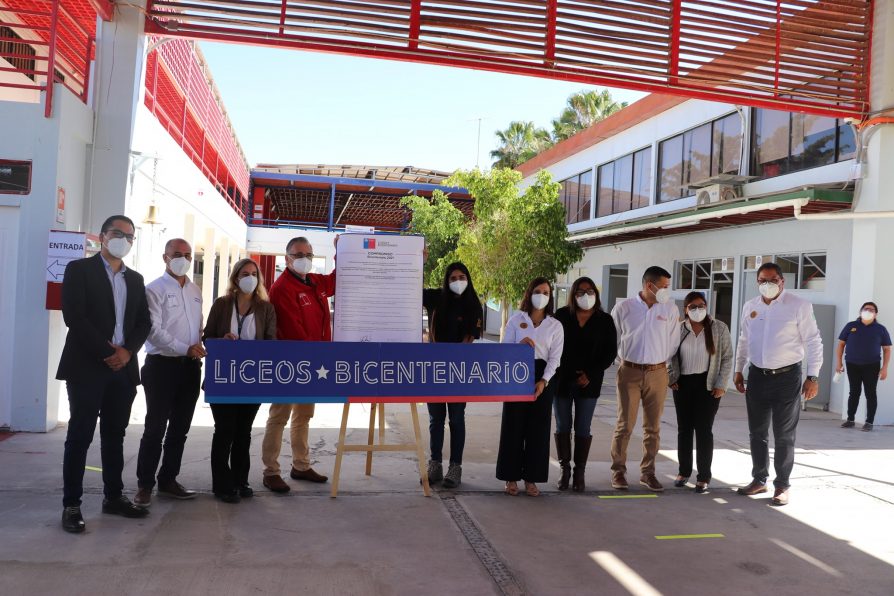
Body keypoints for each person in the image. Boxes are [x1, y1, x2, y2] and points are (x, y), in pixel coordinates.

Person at [57, 215, 152, 533]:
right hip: (87, 366)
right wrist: (107, 351)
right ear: (101, 236)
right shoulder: (79, 270)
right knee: (80, 435)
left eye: (129, 236)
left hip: (123, 370)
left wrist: (126, 353)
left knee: (115, 435)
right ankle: (72, 505)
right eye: (117, 233)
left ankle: (113, 497)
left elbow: (143, 323)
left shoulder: (136, 280)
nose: (122, 240)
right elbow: (75, 316)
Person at [734, 262, 823, 506]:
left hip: (787, 378)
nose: (767, 284)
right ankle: (759, 479)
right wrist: (738, 370)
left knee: (784, 434)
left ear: (782, 281)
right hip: (758, 376)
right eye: (762, 280)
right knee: (757, 433)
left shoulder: (799, 306)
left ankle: (782, 485)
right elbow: (744, 339)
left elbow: (814, 341)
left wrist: (812, 376)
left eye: (772, 280)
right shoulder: (750, 306)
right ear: (757, 282)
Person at [134, 239, 205, 508]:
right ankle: (144, 485)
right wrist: (184, 348)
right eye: (177, 254)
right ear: (166, 257)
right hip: (161, 367)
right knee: (155, 428)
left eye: (188, 255)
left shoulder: (196, 290)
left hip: (189, 369)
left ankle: (168, 480)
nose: (183, 259)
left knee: (179, 429)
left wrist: (199, 346)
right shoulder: (154, 289)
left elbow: (197, 327)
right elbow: (153, 330)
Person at [261, 236, 335, 493]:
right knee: (279, 415)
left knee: (304, 415)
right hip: (292, 363)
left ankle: (301, 465)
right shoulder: (282, 288)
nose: (304, 259)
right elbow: (294, 330)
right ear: (287, 258)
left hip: (314, 363)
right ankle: (270, 471)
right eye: (298, 254)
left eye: (308, 254)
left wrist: (342, 252)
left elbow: (336, 280)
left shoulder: (314, 281)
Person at [204, 259, 277, 503]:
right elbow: (208, 337)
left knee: (243, 432)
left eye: (254, 274)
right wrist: (222, 340)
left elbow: (271, 341)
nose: (249, 277)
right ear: (235, 278)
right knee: (225, 430)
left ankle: (240, 480)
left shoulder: (265, 308)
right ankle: (222, 484)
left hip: (251, 380)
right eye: (244, 273)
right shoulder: (222, 304)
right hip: (224, 378)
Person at [609, 266, 680, 492]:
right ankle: (618, 471)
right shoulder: (624, 307)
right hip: (628, 371)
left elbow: (673, 342)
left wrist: (659, 365)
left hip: (658, 373)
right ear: (650, 285)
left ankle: (648, 472)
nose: (667, 291)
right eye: (665, 286)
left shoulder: (670, 309)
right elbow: (615, 337)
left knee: (653, 427)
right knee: (625, 425)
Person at [497, 277, 564, 497]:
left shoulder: (555, 325)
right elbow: (504, 350)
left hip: (542, 378)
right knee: (513, 426)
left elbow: (555, 358)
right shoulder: (516, 320)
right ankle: (511, 477)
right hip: (516, 376)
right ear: (529, 293)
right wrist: (519, 346)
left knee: (538, 430)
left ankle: (532, 479)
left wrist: (543, 381)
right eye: (538, 291)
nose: (541, 296)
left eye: (546, 292)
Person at [553, 277, 617, 492]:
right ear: (573, 294)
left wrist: (589, 373)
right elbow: (552, 347)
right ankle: (565, 470)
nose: (585, 295)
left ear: (596, 294)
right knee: (563, 426)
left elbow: (610, 353)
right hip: (562, 380)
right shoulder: (561, 316)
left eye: (590, 291)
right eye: (580, 292)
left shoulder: (605, 320)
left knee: (583, 427)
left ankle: (579, 471)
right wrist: (568, 373)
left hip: (590, 382)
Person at [423, 262, 483, 489]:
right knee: (435, 419)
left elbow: (470, 339)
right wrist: (418, 260)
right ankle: (435, 464)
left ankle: (455, 467)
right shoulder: (436, 298)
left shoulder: (473, 305)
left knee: (456, 419)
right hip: (434, 371)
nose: (458, 281)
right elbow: (411, 289)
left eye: (462, 277)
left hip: (459, 372)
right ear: (446, 281)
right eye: (453, 278)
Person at [667, 291, 733, 493]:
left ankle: (703, 476)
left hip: (708, 385)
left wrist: (721, 383)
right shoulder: (677, 329)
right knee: (684, 429)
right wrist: (672, 378)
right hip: (683, 384)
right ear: (685, 309)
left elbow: (727, 357)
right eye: (692, 306)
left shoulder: (718, 328)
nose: (698, 310)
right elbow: (667, 356)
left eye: (701, 305)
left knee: (704, 430)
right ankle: (684, 471)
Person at [836, 301, 891, 432]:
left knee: (870, 393)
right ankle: (850, 419)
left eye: (871, 310)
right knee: (854, 392)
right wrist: (839, 363)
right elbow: (841, 345)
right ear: (860, 311)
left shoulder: (880, 329)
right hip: (852, 363)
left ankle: (869, 422)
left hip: (872, 365)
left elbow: (887, 349)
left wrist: (884, 368)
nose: (868, 311)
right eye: (866, 309)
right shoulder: (851, 326)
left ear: (876, 314)